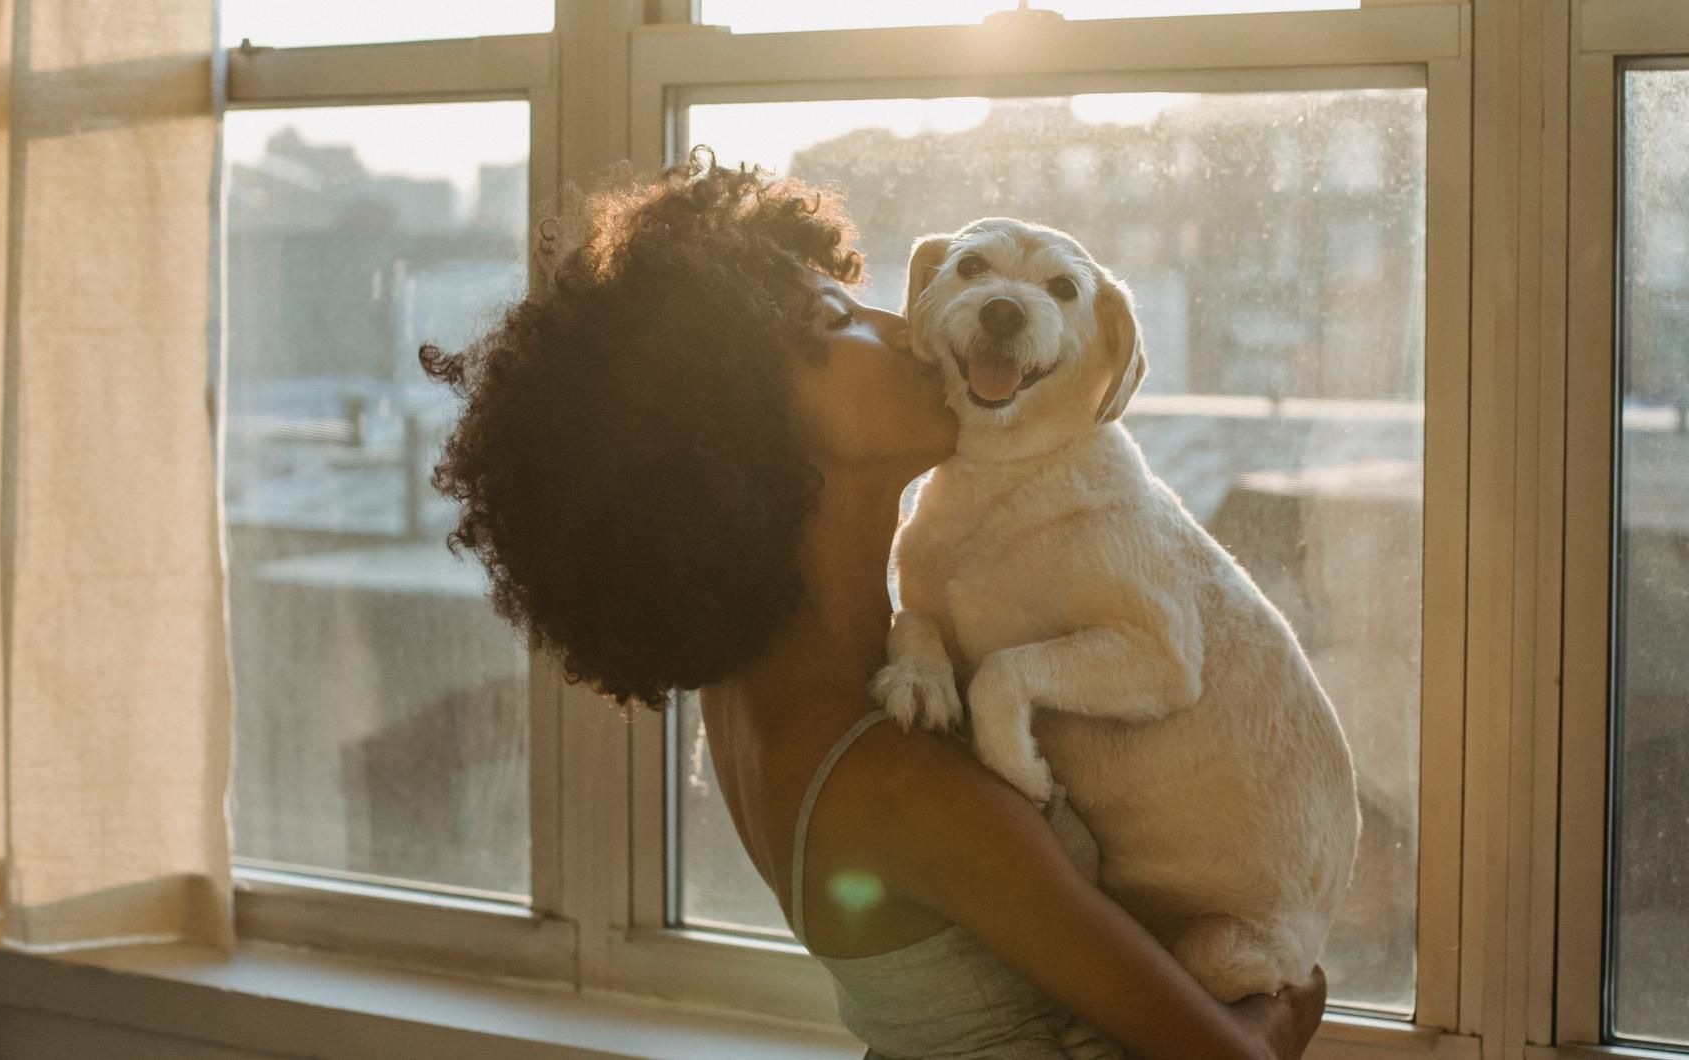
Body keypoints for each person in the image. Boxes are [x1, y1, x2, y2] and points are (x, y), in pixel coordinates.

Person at [422, 151, 1327, 1060]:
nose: (900, 327)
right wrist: (1293, 1000)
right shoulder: (902, 785)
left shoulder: (757, 687)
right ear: (737, 420)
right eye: (836, 318)